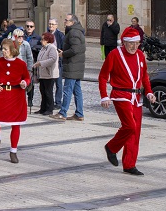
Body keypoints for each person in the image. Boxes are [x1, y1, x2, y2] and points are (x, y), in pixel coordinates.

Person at [99, 27, 157, 176]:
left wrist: (149, 92)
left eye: (137, 43)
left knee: (135, 131)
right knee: (130, 126)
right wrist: (104, 96)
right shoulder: (114, 55)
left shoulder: (140, 56)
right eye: (131, 43)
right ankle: (111, 148)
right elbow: (103, 76)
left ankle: (130, 164)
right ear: (124, 42)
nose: (134, 46)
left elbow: (145, 77)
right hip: (120, 95)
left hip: (136, 97)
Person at [0, 39, 31, 163]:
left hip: (16, 95)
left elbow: (27, 78)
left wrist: (24, 83)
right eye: (3, 48)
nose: (3, 51)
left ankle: (13, 151)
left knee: (15, 124)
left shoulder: (21, 64)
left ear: (12, 50)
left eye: (5, 49)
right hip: (0, 95)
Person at [53, 14, 86, 122]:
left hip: (73, 65)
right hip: (76, 65)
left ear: (73, 22)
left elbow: (75, 49)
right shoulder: (76, 31)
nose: (65, 22)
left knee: (67, 89)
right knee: (77, 90)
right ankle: (79, 113)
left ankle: (63, 112)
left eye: (66, 20)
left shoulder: (74, 32)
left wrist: (63, 54)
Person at [33, 32, 59, 115]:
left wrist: (41, 63)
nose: (41, 41)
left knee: (48, 92)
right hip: (43, 73)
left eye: (43, 39)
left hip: (49, 74)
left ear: (47, 40)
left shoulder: (51, 48)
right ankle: (43, 108)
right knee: (43, 91)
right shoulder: (43, 48)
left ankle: (49, 109)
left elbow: (53, 59)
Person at [12, 28, 34, 107]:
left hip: (23, 68)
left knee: (24, 87)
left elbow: (29, 57)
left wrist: (29, 69)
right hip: (13, 69)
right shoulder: (11, 44)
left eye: (22, 36)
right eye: (19, 36)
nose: (21, 38)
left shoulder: (26, 44)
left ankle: (24, 102)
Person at [47, 18, 65, 110]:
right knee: (49, 83)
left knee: (58, 83)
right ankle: (49, 102)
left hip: (58, 62)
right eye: (50, 24)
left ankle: (58, 102)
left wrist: (60, 52)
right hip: (48, 62)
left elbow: (63, 47)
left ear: (56, 26)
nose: (51, 26)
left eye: (53, 24)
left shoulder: (60, 35)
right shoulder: (46, 34)